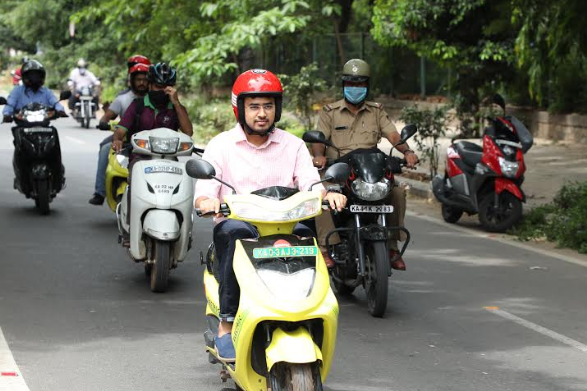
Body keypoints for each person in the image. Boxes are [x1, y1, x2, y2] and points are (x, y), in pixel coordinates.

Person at [193, 69, 347, 362]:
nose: (261, 113)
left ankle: (308, 312)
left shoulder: (293, 145)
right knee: (236, 233)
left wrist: (330, 195)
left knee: (306, 234)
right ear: (239, 109)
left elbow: (311, 184)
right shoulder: (221, 145)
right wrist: (207, 201)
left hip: (285, 226)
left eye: (268, 106)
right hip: (241, 225)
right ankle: (227, 324)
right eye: (254, 106)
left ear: (276, 108)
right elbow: (205, 190)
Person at [311, 58, 419, 271]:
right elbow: (318, 139)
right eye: (351, 83)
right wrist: (318, 156)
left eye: (360, 84)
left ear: (366, 86)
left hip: (369, 172)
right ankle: (325, 248)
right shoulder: (329, 112)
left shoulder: (376, 111)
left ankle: (391, 247)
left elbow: (393, 134)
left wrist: (407, 152)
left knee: (396, 193)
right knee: (321, 196)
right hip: (339, 172)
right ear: (344, 85)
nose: (355, 88)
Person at [112, 62, 194, 239]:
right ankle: (130, 227)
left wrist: (176, 102)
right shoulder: (138, 106)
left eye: (166, 87)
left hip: (170, 161)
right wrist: (118, 140)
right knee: (134, 185)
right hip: (141, 159)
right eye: (158, 86)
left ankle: (183, 227)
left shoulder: (175, 108)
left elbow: (188, 132)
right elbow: (120, 131)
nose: (161, 90)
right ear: (150, 85)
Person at [88, 62, 150, 205]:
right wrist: (104, 122)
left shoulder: (155, 100)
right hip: (125, 138)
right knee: (105, 149)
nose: (141, 83)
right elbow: (107, 116)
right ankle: (100, 192)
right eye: (138, 80)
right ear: (132, 81)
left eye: (145, 79)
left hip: (150, 142)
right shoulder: (123, 99)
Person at [2, 60, 68, 190]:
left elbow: (55, 103)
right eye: (31, 75)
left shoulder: (47, 92)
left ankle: (58, 174)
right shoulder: (17, 91)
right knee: (19, 145)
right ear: (25, 76)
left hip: (44, 127)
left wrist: (60, 110)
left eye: (37, 75)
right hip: (23, 127)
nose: (34, 78)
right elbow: (9, 104)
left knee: (54, 137)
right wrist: (7, 114)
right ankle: (21, 174)